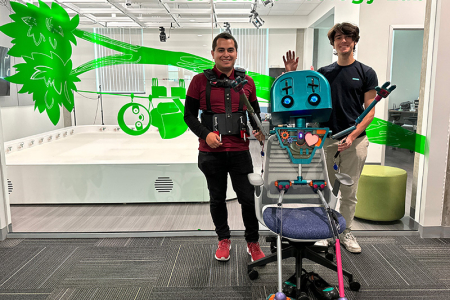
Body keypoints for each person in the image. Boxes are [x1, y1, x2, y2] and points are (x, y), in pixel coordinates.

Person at [283, 22, 378, 254]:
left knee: (349, 191)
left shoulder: (366, 73)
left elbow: (370, 111)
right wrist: (290, 73)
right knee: (323, 188)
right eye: (338, 38)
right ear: (333, 44)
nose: (343, 41)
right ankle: (326, 231)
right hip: (326, 139)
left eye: (347, 37)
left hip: (355, 141)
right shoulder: (324, 73)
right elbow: (303, 99)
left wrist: (353, 134)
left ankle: (344, 232)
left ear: (354, 41)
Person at [184, 32, 266, 262]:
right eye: (221, 50)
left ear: (236, 53)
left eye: (230, 50)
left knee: (248, 199)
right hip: (211, 153)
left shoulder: (247, 82)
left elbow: (254, 113)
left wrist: (258, 130)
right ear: (213, 53)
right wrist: (205, 134)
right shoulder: (199, 81)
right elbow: (189, 115)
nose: (226, 54)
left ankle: (253, 242)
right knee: (217, 198)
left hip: (240, 152)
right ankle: (223, 239)